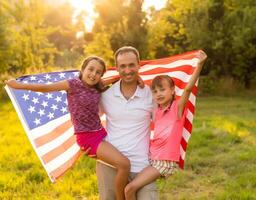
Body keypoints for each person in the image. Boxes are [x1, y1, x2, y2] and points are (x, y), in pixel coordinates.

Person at [6, 56, 130, 200]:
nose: (93, 74)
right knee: (124, 165)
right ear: (82, 69)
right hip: (88, 138)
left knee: (121, 163)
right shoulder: (73, 84)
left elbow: (112, 80)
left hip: (101, 132)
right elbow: (45, 88)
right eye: (90, 69)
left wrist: (131, 74)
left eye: (98, 72)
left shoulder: (98, 86)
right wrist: (18, 85)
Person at [124, 50, 207, 200]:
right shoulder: (157, 110)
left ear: (172, 90)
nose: (159, 94)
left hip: (164, 162)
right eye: (155, 91)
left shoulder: (177, 108)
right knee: (127, 180)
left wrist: (199, 65)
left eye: (162, 89)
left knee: (129, 189)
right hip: (152, 158)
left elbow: (188, 89)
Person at [96, 46, 158, 200]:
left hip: (142, 167)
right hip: (110, 166)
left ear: (139, 65)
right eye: (122, 66)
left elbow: (164, 124)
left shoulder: (151, 95)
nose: (127, 70)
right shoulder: (106, 95)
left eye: (131, 65)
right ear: (116, 68)